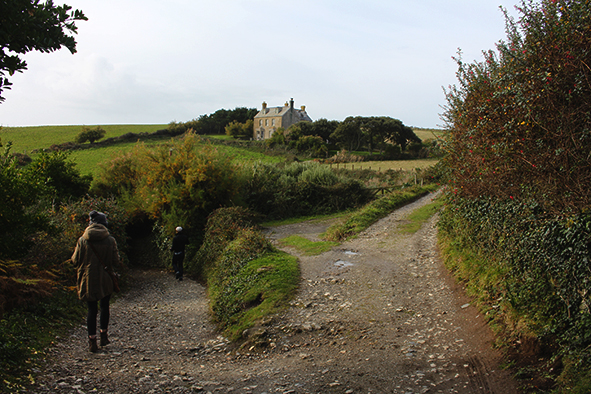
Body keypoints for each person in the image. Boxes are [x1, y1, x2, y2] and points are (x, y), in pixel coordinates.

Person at [71, 210, 120, 352]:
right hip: (105, 278)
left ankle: (92, 341)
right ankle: (103, 335)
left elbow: (74, 260)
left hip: (88, 279)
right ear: (104, 224)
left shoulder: (83, 240)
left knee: (91, 309)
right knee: (105, 306)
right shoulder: (110, 240)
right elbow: (116, 261)